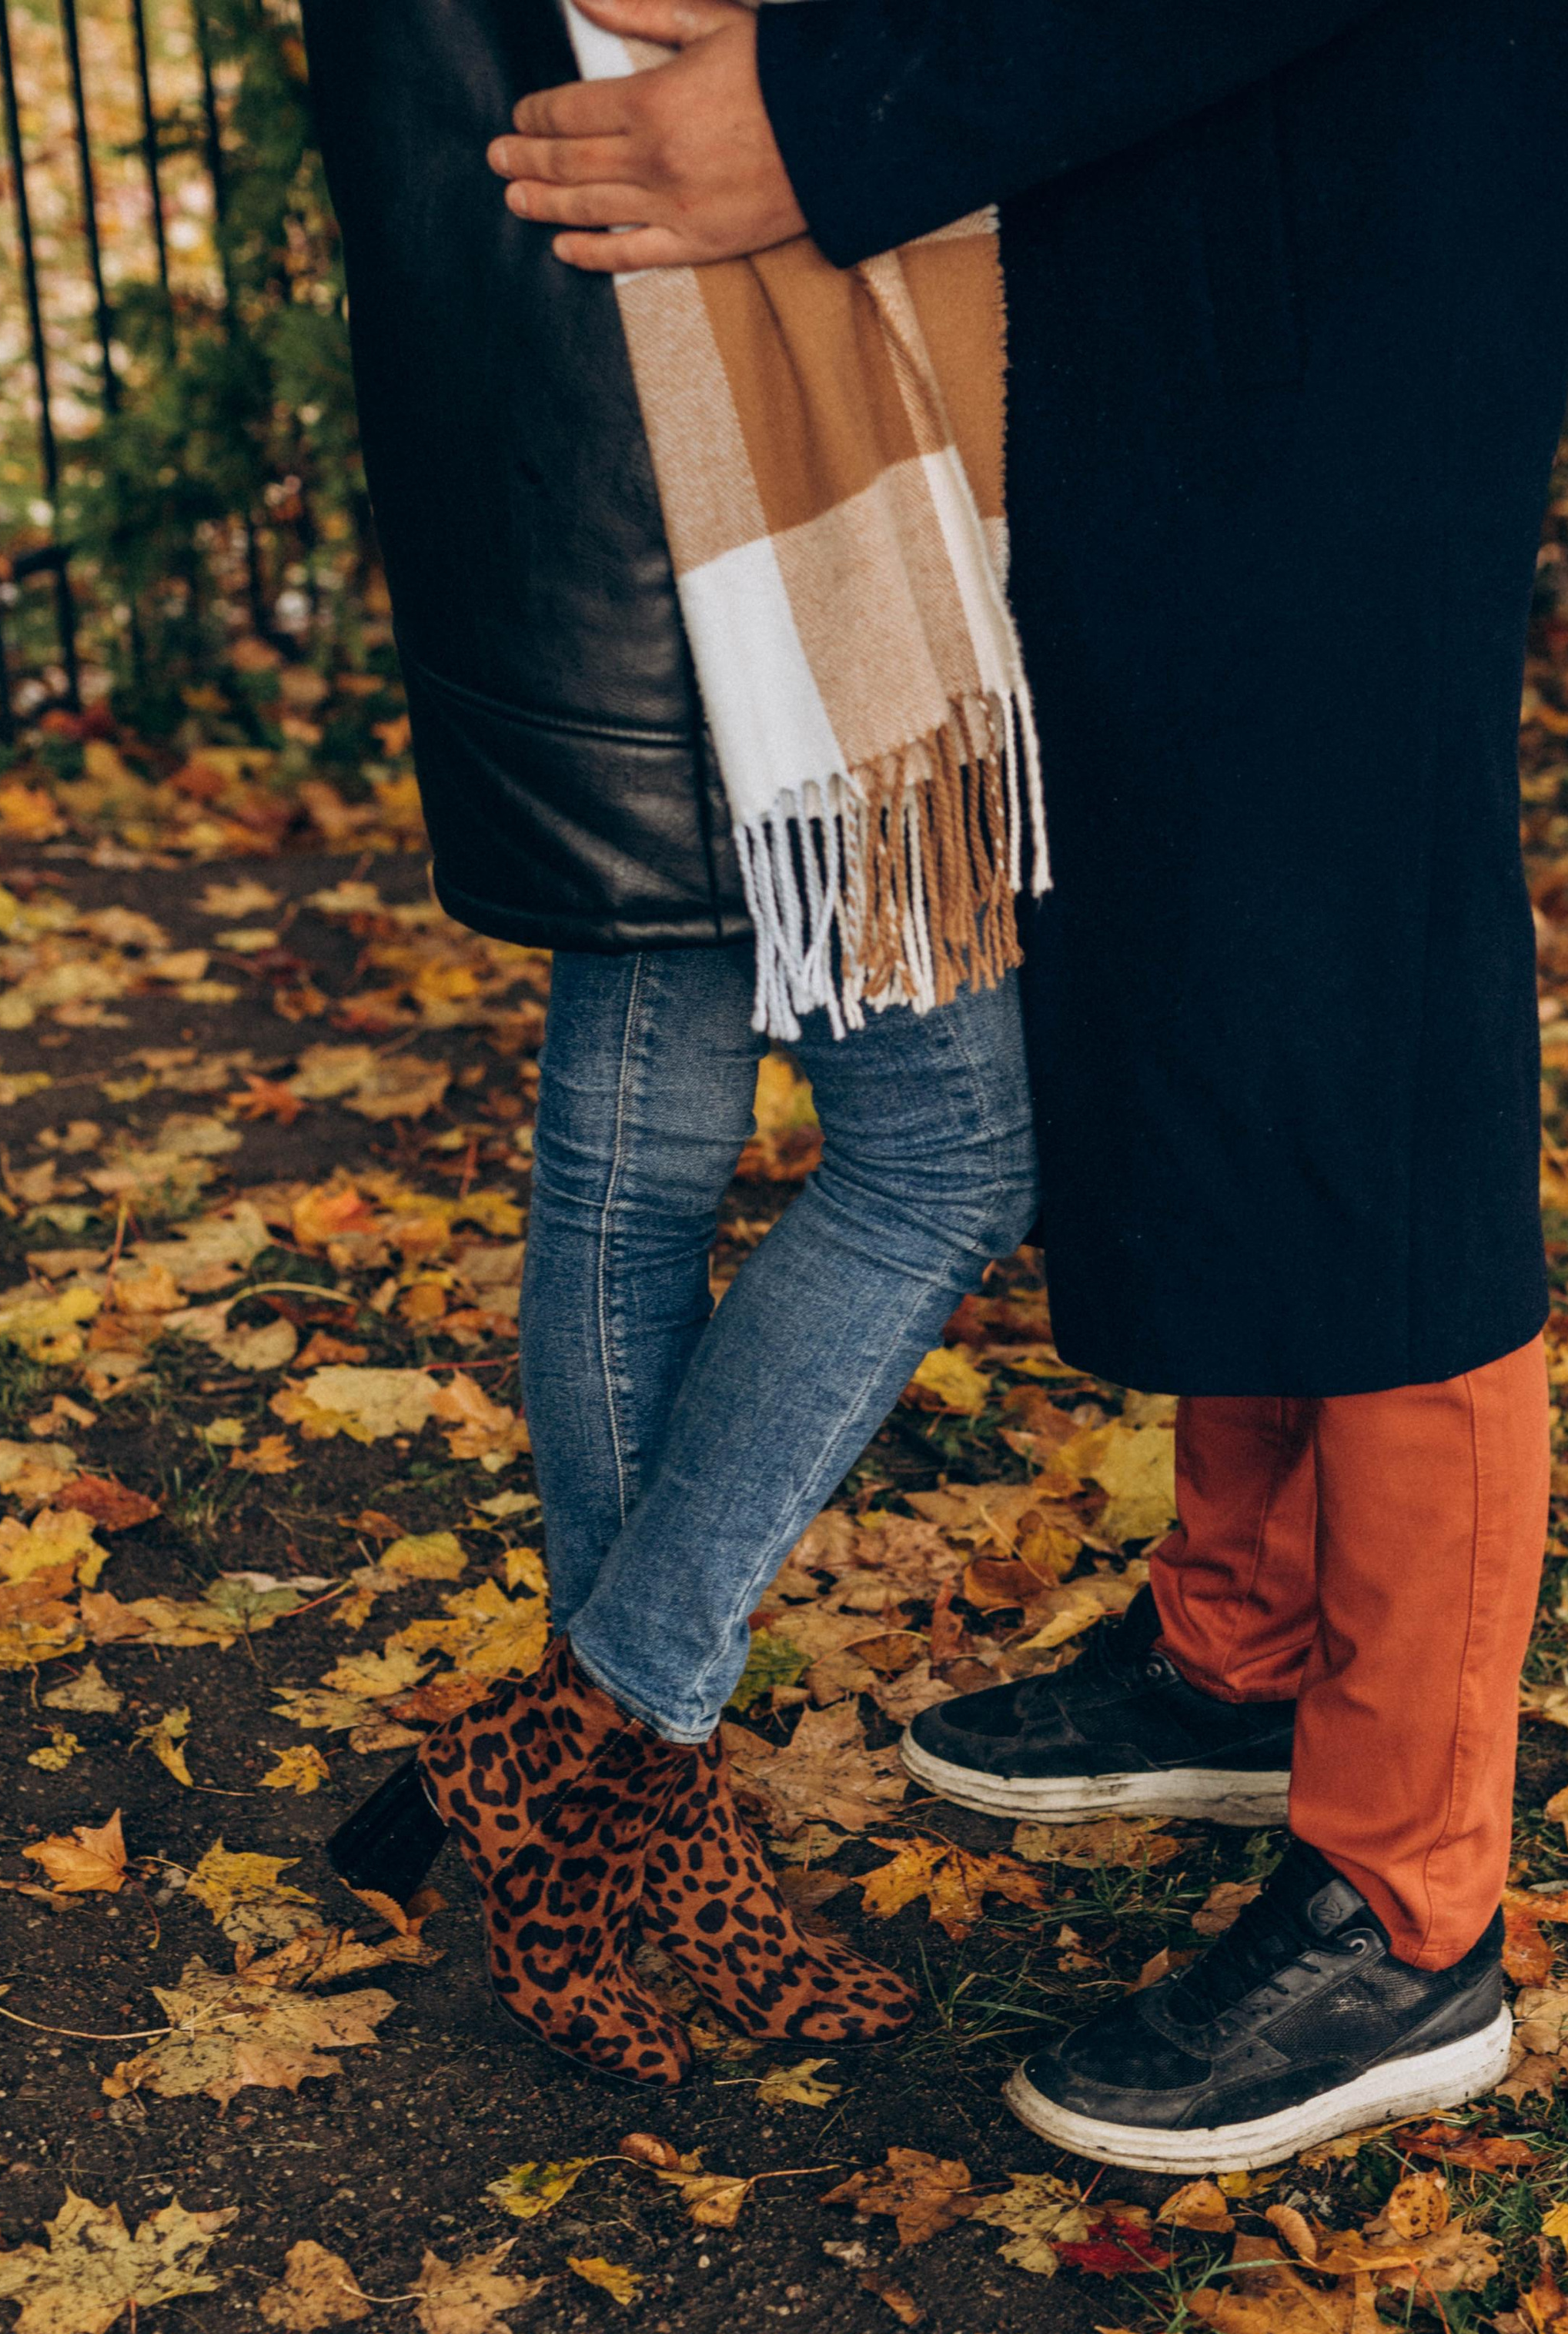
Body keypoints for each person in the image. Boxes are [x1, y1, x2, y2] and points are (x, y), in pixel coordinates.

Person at [316, 0, 1568, 2165]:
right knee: (1210, 968)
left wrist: (840, 109)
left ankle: (1408, 1904)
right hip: (1130, 233)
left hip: (1334, 244)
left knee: (1360, 1027)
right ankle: (1242, 1640)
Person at [301, 0, 1043, 2082]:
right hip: (701, 379)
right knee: (952, 1142)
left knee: (644, 1136)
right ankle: (613, 1741)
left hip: (656, 387)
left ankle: (604, 1805)